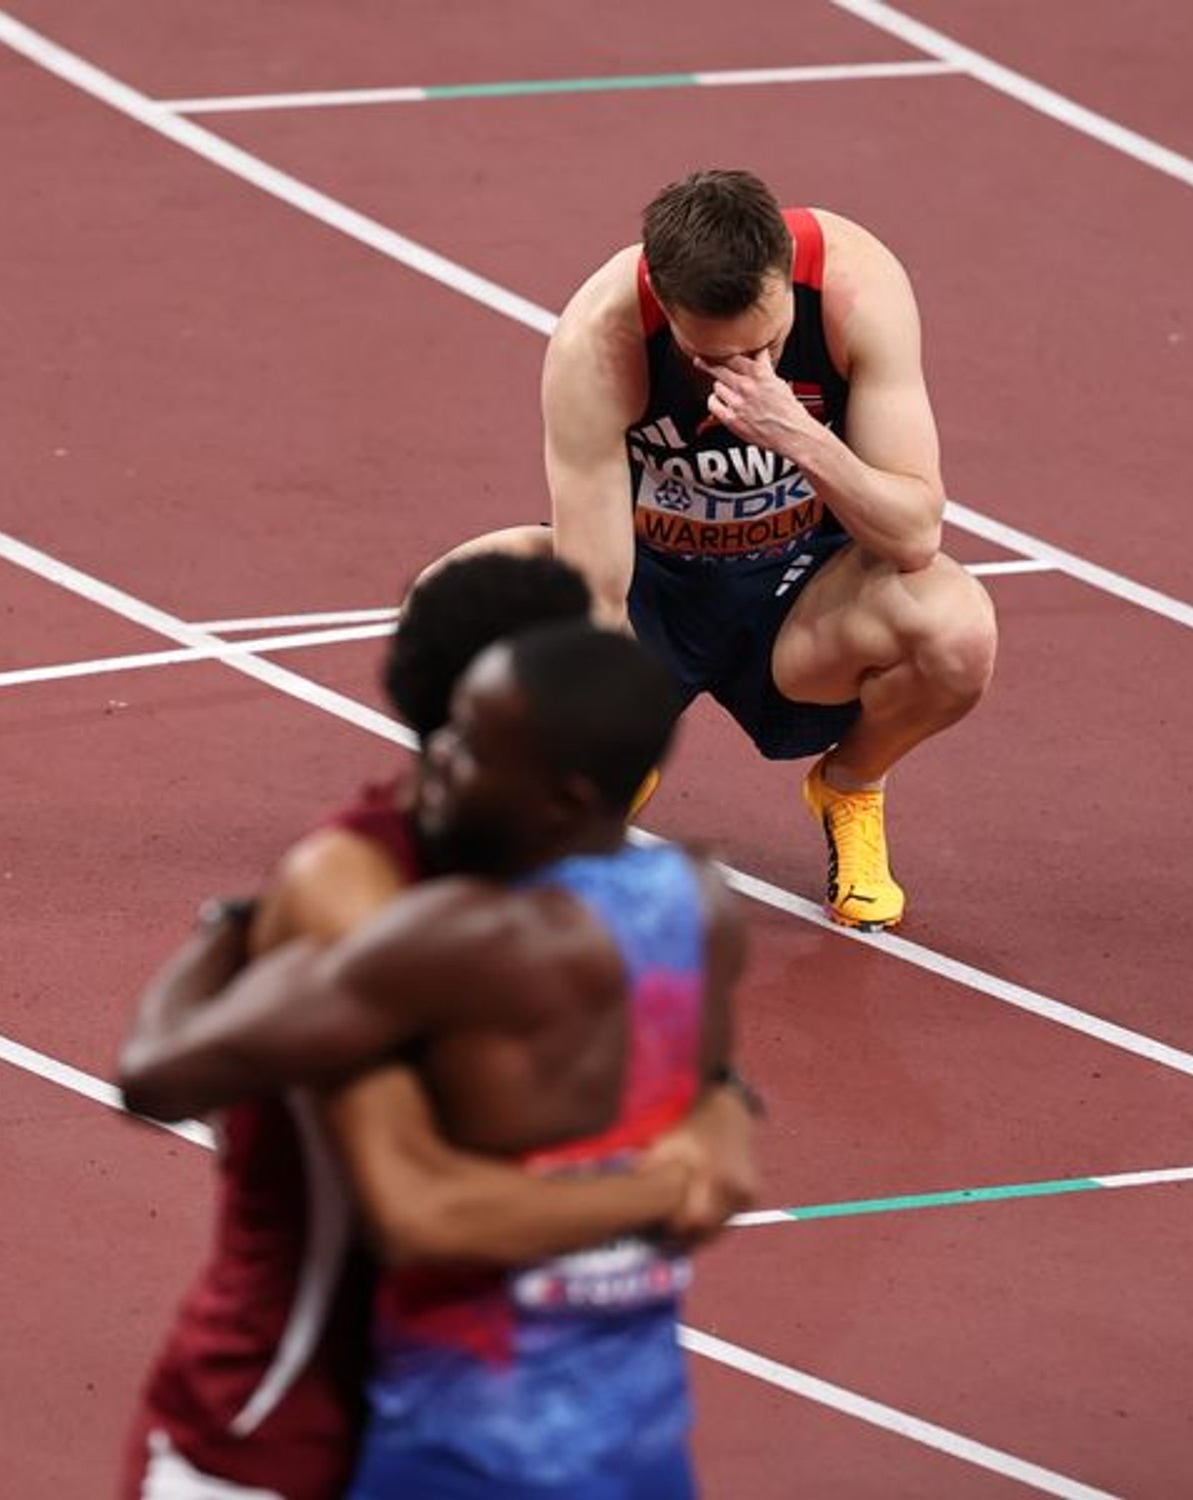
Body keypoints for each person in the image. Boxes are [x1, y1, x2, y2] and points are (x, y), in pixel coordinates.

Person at [116, 557, 755, 1500]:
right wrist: (673, 1180)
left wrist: (718, 1104)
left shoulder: (568, 884)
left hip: (466, 1417)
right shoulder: (362, 896)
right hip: (285, 1422)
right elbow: (420, 1206)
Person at [436, 168, 996, 931]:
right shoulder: (598, 341)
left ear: (786, 280)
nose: (745, 372)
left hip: (803, 592)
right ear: (664, 304)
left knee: (957, 629)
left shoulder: (856, 288)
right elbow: (597, 590)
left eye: (766, 345)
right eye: (711, 358)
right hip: (650, 586)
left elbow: (914, 534)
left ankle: (851, 785)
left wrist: (795, 433)